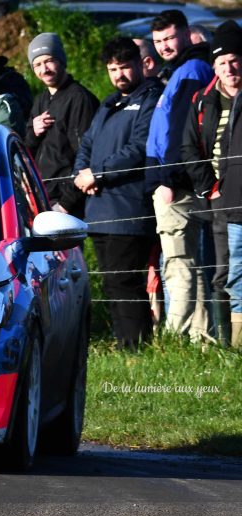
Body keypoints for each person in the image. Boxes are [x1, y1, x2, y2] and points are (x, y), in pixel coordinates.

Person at [73, 37, 162, 349]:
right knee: (111, 282)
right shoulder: (109, 103)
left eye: (124, 67)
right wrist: (81, 174)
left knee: (126, 281)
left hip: (128, 209)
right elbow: (86, 144)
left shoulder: (150, 98)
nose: (119, 74)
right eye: (113, 69)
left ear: (140, 64)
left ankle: (135, 344)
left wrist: (99, 173)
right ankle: (123, 342)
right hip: (98, 209)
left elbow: (139, 148)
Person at [146, 9, 214, 342]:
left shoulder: (191, 69)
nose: (164, 46)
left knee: (178, 261)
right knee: (189, 262)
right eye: (158, 41)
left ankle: (179, 335)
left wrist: (168, 178)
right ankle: (200, 336)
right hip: (173, 178)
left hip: (175, 183)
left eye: (170, 38)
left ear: (186, 34)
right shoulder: (180, 69)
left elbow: (180, 129)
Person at [182, 22, 242, 346]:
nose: (228, 68)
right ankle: (227, 344)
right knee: (223, 273)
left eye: (234, 60)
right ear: (214, 66)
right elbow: (189, 149)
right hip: (219, 200)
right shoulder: (202, 100)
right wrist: (211, 188)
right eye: (221, 62)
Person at [25, 32, 99, 219]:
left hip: (65, 202)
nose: (44, 69)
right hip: (42, 196)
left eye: (49, 61)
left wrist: (66, 204)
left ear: (61, 61)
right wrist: (34, 132)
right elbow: (27, 149)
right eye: (37, 65)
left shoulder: (79, 99)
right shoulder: (41, 100)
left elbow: (87, 154)